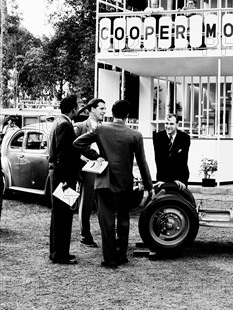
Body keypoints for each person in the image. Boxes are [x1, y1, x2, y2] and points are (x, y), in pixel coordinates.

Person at [74, 100, 154, 268]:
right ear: (127, 116)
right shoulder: (135, 135)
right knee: (123, 220)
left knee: (106, 222)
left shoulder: (101, 128)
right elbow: (142, 162)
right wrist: (149, 186)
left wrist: (96, 156)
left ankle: (110, 259)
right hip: (125, 183)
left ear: (112, 112)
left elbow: (78, 143)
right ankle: (122, 255)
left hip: (104, 181)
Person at [45, 94, 80, 265]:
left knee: (58, 215)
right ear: (73, 109)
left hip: (58, 175)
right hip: (64, 178)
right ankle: (61, 255)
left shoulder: (57, 122)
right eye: (77, 106)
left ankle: (56, 252)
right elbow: (63, 155)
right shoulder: (65, 125)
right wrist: (67, 180)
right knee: (64, 216)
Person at [73, 98, 107, 248]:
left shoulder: (104, 128)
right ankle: (85, 235)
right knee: (85, 204)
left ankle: (106, 234)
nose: (104, 112)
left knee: (103, 204)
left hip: (103, 170)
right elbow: (74, 148)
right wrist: (85, 160)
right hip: (87, 170)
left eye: (105, 109)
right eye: (101, 108)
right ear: (92, 109)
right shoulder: (80, 126)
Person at [153, 113, 190, 189]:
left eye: (171, 124)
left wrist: (179, 180)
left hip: (180, 179)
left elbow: (183, 161)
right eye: (166, 123)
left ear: (177, 124)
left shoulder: (185, 138)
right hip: (162, 179)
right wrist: (162, 179)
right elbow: (159, 160)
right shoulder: (158, 137)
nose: (168, 126)